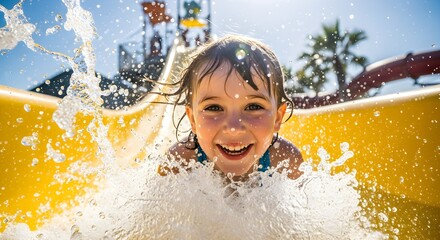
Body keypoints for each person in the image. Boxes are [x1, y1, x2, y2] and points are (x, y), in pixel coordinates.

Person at [163, 34, 303, 180]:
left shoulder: (285, 161)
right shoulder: (179, 163)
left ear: (278, 118)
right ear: (192, 119)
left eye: (253, 106)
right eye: (214, 108)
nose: (234, 128)